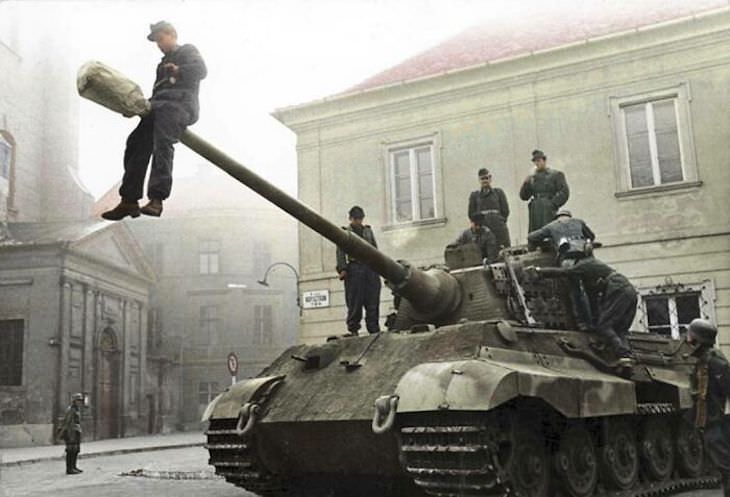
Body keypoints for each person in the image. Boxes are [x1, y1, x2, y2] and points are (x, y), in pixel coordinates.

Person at [102, 21, 207, 221]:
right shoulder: (161, 65)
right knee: (135, 143)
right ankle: (129, 200)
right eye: (156, 41)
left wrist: (179, 70)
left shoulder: (187, 51)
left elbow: (201, 70)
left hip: (180, 106)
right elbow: (158, 93)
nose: (159, 44)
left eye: (161, 39)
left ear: (172, 35)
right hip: (159, 107)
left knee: (162, 144)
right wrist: (135, 108)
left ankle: (156, 199)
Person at [526, 255, 636, 368]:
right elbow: (594, 300)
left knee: (604, 326)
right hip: (629, 290)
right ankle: (627, 357)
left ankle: (622, 353)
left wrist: (540, 271)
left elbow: (566, 272)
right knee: (620, 329)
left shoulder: (584, 265)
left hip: (618, 289)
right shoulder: (596, 267)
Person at [527, 209, 595, 328]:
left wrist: (548, 242)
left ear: (557, 218)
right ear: (569, 216)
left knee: (575, 292)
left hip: (568, 259)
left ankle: (582, 323)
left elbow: (531, 237)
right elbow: (591, 236)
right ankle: (594, 321)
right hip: (585, 259)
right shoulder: (579, 222)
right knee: (590, 290)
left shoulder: (552, 226)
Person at [686, 318, 730, 497]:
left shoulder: (715, 363)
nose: (687, 340)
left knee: (726, 467)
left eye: (690, 336)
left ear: (697, 340)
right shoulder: (704, 361)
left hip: (718, 423)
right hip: (713, 422)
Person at [336, 206, 381, 335]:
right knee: (355, 301)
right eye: (355, 219)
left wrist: (378, 266)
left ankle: (373, 328)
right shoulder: (345, 233)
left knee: (372, 301)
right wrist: (342, 269)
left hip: (370, 268)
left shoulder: (368, 231)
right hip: (354, 269)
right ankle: (353, 328)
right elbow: (340, 252)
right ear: (350, 219)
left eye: (360, 219)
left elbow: (375, 249)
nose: (358, 221)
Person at [519, 150, 570, 232]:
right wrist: (526, 183)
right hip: (535, 210)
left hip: (548, 209)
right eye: (535, 161)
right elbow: (524, 196)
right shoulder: (532, 178)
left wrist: (552, 204)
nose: (537, 163)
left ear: (544, 160)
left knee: (550, 231)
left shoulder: (555, 175)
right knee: (535, 233)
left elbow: (564, 192)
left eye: (539, 161)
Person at [467, 168, 511, 249]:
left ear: (490, 179)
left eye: (486, 178)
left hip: (499, 229)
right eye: (482, 179)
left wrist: (499, 221)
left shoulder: (498, 193)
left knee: (503, 251)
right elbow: (471, 214)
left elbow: (505, 211)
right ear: (479, 180)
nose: (484, 181)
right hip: (483, 230)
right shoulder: (475, 196)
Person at [57, 393, 84, 475]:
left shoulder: (76, 409)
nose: (79, 402)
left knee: (75, 450)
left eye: (80, 400)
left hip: (76, 432)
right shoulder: (71, 410)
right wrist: (69, 434)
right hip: (71, 432)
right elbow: (68, 423)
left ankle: (74, 467)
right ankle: (69, 469)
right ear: (74, 401)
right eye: (78, 400)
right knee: (70, 451)